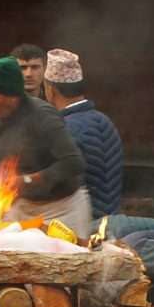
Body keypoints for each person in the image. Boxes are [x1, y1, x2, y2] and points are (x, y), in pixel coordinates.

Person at [0, 57, 91, 237]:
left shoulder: (44, 117)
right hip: (22, 207)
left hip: (63, 210)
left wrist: (28, 179)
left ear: (12, 96)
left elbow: (73, 163)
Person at [43, 48, 123, 218]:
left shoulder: (64, 129)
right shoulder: (104, 120)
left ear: (50, 90)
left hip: (85, 227)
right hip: (111, 220)